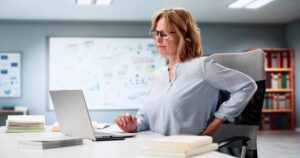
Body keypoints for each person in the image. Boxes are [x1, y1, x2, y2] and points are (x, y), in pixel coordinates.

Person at [114, 7, 257, 136]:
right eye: (155, 33)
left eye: (164, 33)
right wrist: (133, 125)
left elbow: (247, 85)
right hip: (154, 148)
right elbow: (145, 120)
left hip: (186, 150)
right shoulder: (158, 75)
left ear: (184, 36)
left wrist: (215, 124)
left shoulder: (202, 66)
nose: (158, 39)